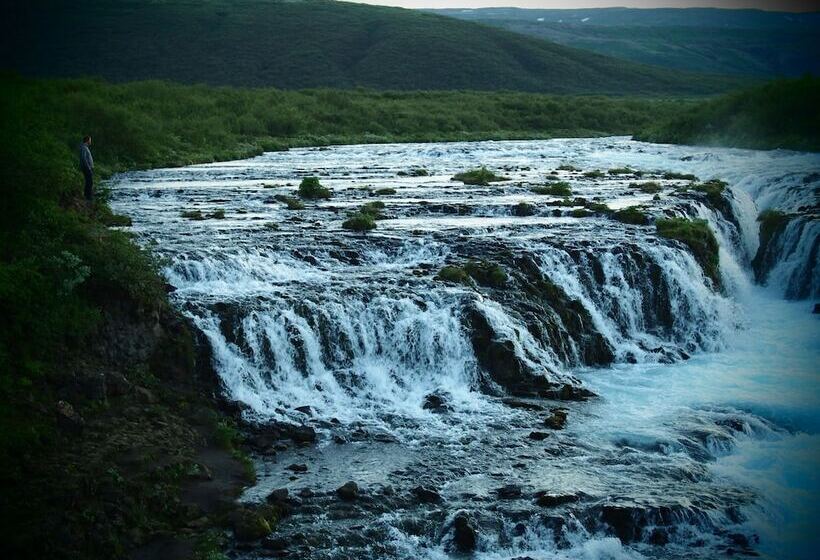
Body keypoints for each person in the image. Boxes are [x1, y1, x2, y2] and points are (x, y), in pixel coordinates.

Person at [79, 135, 94, 202]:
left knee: (89, 182)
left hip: (87, 168)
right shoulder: (84, 148)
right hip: (86, 168)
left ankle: (87, 196)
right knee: (89, 182)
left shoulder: (85, 147)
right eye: (90, 140)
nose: (91, 141)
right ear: (87, 140)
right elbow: (84, 158)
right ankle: (88, 197)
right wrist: (88, 167)